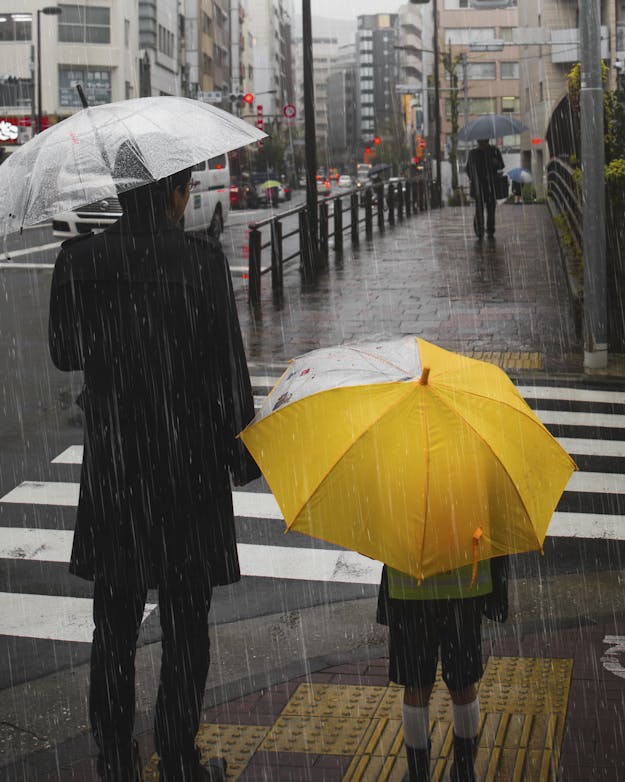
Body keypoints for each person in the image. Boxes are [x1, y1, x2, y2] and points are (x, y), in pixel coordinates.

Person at [48, 145, 260, 782]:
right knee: (186, 622)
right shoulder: (201, 262)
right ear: (173, 192)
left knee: (113, 623)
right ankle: (178, 753)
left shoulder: (80, 260)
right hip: (188, 465)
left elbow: (64, 352)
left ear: (118, 191)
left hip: (117, 466)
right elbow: (227, 369)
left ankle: (115, 757)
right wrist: (239, 452)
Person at [377, 557, 508, 782]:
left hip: (410, 584)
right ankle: (464, 771)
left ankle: (419, 774)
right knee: (463, 682)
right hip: (465, 584)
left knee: (416, 685)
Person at [465, 139, 505, 238]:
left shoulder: (494, 151)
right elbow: (468, 169)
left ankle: (490, 229)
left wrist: (496, 163)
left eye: (484, 142)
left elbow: (501, 165)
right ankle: (480, 229)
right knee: (479, 208)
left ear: (487, 141)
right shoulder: (473, 153)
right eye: (480, 143)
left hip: (491, 186)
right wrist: (474, 179)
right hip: (479, 186)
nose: (482, 145)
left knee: (491, 209)